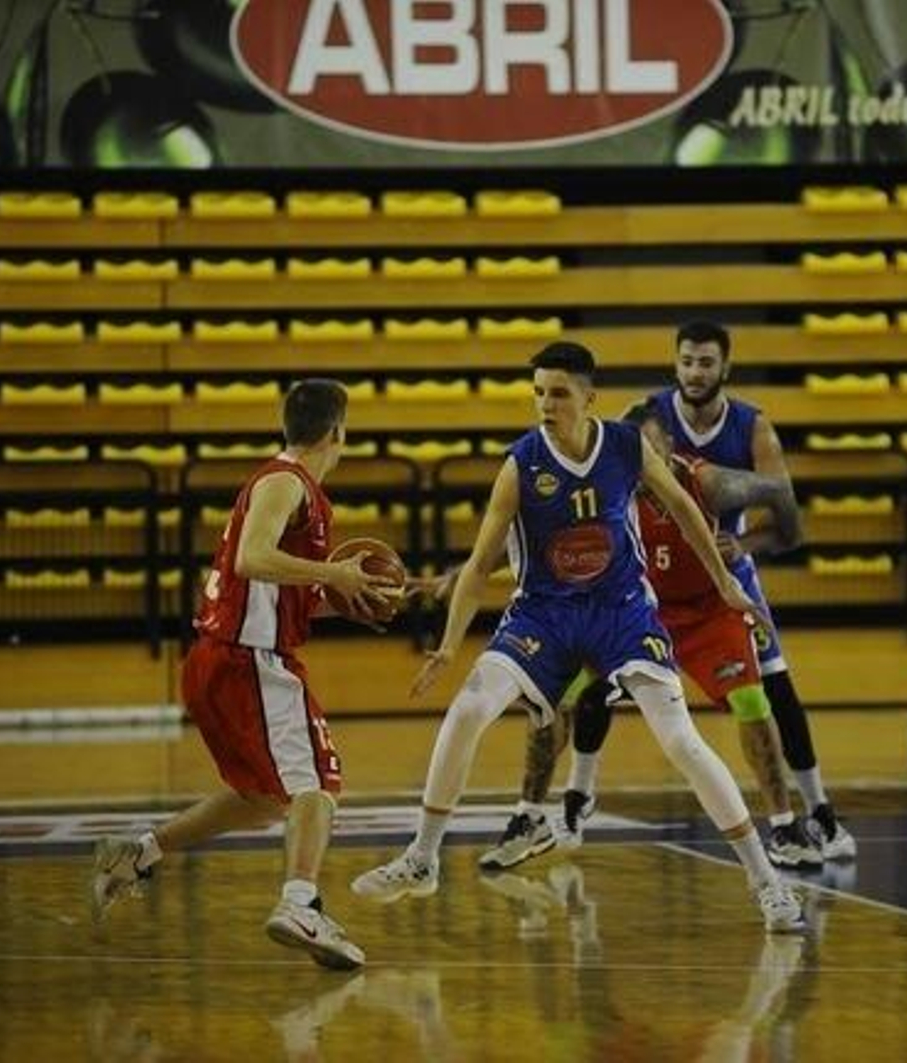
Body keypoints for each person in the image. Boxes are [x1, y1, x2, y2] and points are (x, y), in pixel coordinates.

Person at [350, 341, 805, 932]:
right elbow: (483, 562)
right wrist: (447, 642)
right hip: (544, 614)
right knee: (467, 710)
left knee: (681, 742)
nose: (545, 403)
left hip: (622, 612)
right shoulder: (520, 464)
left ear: (589, 398)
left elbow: (687, 512)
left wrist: (725, 584)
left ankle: (766, 883)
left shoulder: (624, 445)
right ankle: (422, 857)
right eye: (538, 392)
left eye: (558, 393)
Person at [90, 378, 399, 970]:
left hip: (220, 661)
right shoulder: (286, 481)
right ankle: (300, 902)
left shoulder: (286, 487)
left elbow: (274, 583)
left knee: (263, 798)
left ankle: (138, 854)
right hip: (249, 660)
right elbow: (251, 558)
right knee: (317, 786)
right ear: (339, 432)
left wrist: (346, 596)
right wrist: (333, 575)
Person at [472, 407, 822, 872]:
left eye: (647, 451)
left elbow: (778, 491)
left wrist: (754, 545)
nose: (636, 463)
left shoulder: (708, 483)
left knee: (753, 706)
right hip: (638, 610)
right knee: (553, 697)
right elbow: (525, 543)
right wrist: (459, 578)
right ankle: (529, 817)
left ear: (668, 451)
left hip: (707, 612)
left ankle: (783, 825)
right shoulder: (603, 488)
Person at [643, 320, 856, 860]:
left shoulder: (752, 427)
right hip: (661, 578)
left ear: (725, 368)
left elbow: (788, 520)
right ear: (676, 363)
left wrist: (746, 542)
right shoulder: (646, 418)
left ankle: (820, 814)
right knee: (595, 680)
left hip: (724, 579)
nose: (695, 372)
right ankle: (570, 801)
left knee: (777, 692)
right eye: (687, 361)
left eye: (706, 363)